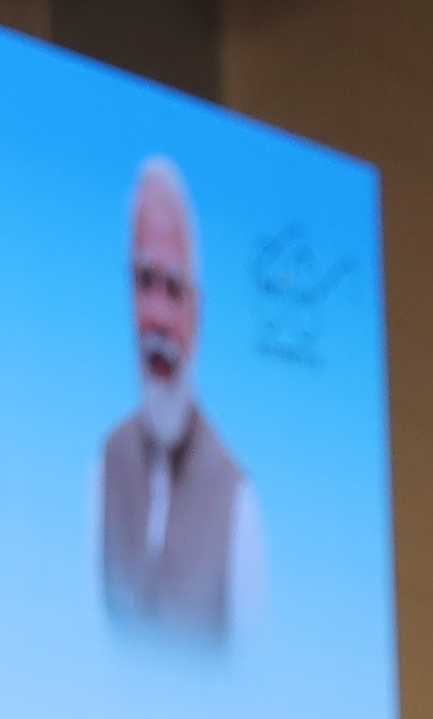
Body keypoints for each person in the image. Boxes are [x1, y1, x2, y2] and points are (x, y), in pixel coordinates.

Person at [96, 154, 265, 645]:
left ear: (198, 314)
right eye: (144, 283)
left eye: (174, 289)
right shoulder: (102, 470)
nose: (157, 316)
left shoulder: (238, 505)